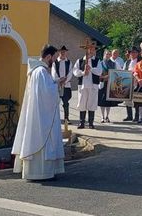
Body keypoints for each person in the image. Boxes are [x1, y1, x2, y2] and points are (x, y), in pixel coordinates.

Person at [11, 45, 64, 180]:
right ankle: (41, 173)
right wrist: (57, 85)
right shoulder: (40, 71)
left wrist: (55, 82)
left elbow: (44, 89)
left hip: (39, 112)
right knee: (43, 138)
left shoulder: (39, 71)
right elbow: (47, 94)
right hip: (41, 115)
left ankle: (42, 172)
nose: (55, 61)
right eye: (55, 57)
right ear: (48, 57)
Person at [73, 41, 103, 129]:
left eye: (93, 49)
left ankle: (91, 123)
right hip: (83, 85)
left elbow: (99, 71)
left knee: (92, 103)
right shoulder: (80, 60)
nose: (92, 51)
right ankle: (82, 122)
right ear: (87, 50)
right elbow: (75, 71)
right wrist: (83, 72)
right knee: (82, 103)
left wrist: (91, 69)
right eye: (90, 49)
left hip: (93, 85)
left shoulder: (97, 60)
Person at [51, 45, 73, 125]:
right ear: (59, 52)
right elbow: (53, 73)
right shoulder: (55, 63)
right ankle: (55, 118)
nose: (63, 53)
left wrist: (65, 81)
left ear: (66, 52)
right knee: (56, 102)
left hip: (66, 85)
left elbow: (71, 73)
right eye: (61, 52)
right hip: (57, 85)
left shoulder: (69, 62)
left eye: (64, 52)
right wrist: (59, 80)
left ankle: (66, 118)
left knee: (66, 102)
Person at [98, 49, 120, 123]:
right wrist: (104, 77)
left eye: (109, 54)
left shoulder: (114, 64)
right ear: (104, 55)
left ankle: (107, 116)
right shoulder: (100, 63)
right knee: (102, 101)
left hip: (110, 84)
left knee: (108, 101)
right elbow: (97, 73)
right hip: (102, 83)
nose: (107, 55)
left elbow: (117, 72)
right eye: (106, 54)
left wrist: (111, 76)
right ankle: (102, 116)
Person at [123, 47, 140, 122]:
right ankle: (129, 116)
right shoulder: (127, 62)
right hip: (127, 82)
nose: (133, 54)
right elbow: (123, 71)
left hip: (137, 82)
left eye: (134, 52)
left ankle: (137, 116)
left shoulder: (140, 62)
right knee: (127, 99)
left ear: (137, 53)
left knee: (136, 100)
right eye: (131, 52)